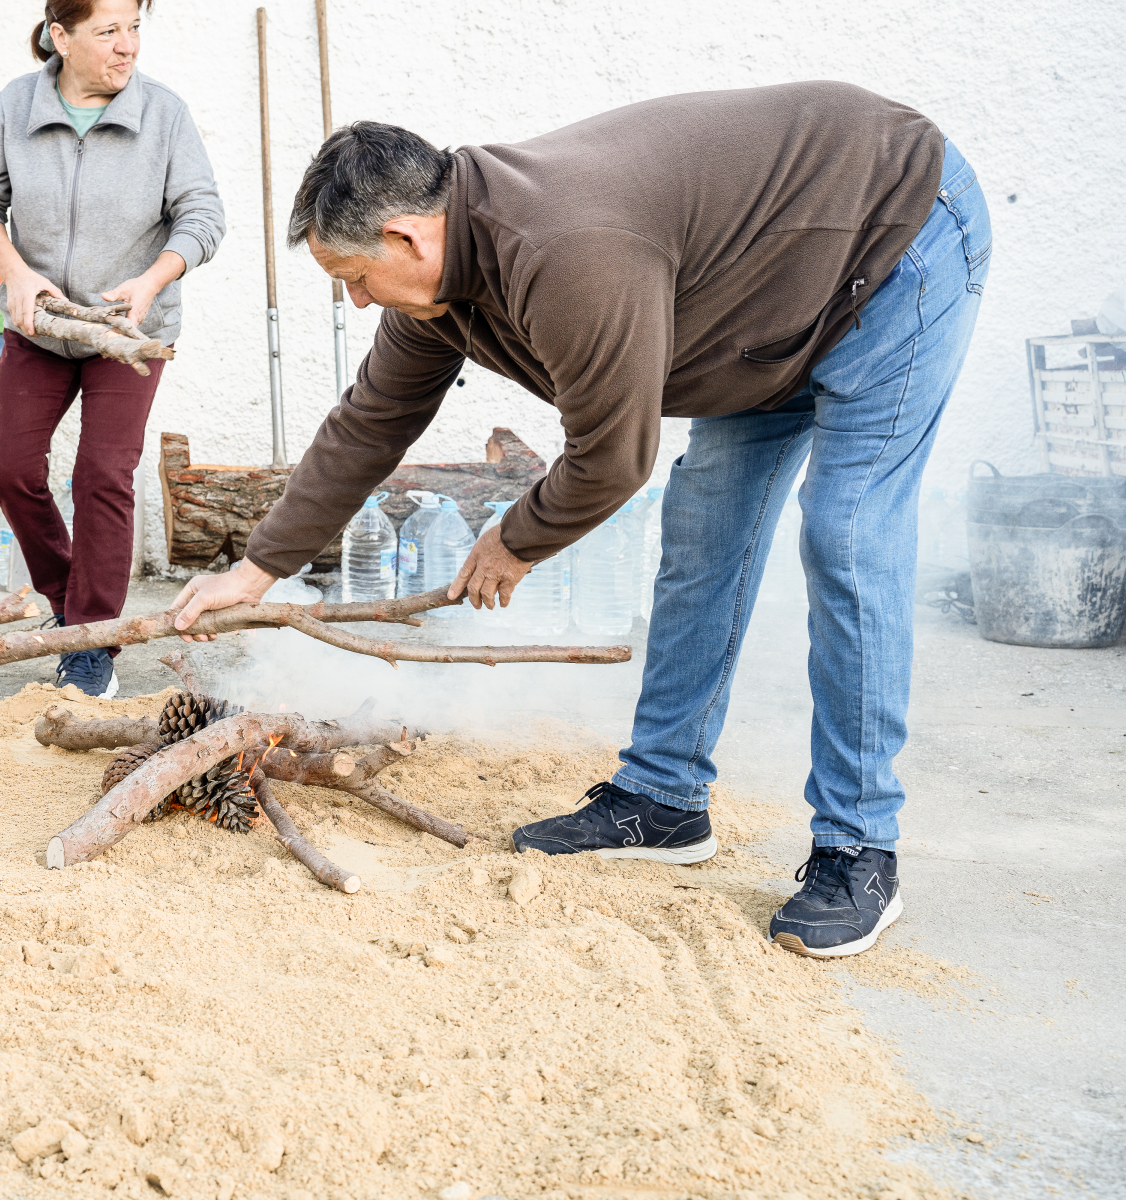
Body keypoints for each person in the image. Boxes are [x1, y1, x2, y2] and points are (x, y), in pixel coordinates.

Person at [170, 83, 989, 959]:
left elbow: (613, 456)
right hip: (768, 301)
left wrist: (517, 539)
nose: (362, 303)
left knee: (845, 533)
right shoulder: (438, 289)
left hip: (892, 233)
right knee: (704, 531)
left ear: (408, 236)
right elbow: (370, 423)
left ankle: (859, 848)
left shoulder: (566, 251)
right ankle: (664, 798)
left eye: (355, 279)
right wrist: (257, 569)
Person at [0, 0, 224, 697]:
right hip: (42, 325)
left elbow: (203, 215)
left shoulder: (164, 114)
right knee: (9, 470)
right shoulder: (16, 106)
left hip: (128, 331)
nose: (127, 45)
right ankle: (69, 606)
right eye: (108, 31)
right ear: (60, 36)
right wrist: (16, 273)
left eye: (134, 27)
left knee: (102, 474)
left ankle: (92, 640)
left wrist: (153, 281)